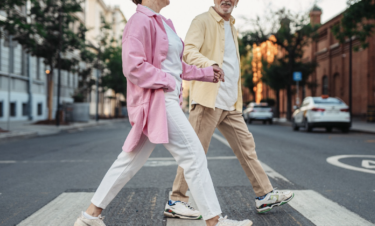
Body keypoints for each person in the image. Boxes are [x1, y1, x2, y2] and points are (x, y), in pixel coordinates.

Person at [74, 0, 253, 226]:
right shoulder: (139, 21)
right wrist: (168, 80)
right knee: (194, 156)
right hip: (159, 99)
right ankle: (215, 221)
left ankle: (90, 216)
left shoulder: (163, 22)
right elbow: (132, 66)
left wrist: (207, 73)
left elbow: (176, 67)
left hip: (165, 98)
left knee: (129, 161)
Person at [165, 0, 294, 219]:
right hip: (208, 100)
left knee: (247, 148)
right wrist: (209, 64)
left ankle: (264, 195)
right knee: (194, 152)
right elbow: (188, 52)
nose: (226, 0)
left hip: (231, 103)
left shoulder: (232, 26)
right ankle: (176, 200)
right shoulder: (202, 21)